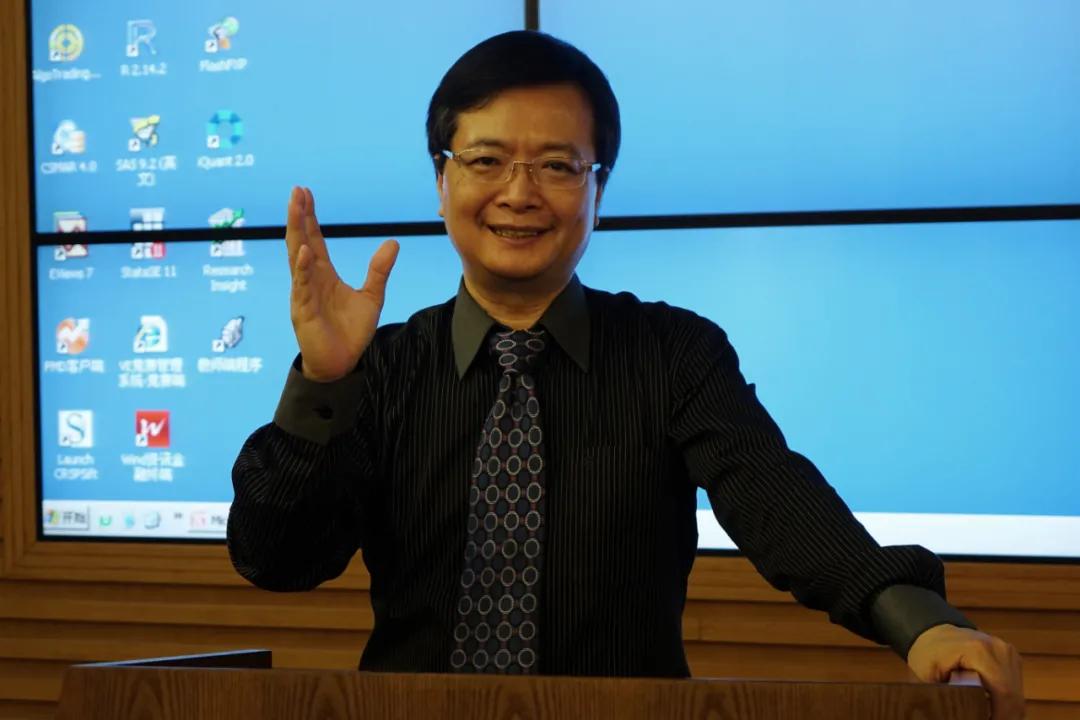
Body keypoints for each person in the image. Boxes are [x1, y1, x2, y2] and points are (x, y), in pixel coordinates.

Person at [228, 30, 1024, 719]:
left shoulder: (673, 353)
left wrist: (921, 623)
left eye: (557, 165)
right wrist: (324, 380)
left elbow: (777, 501)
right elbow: (277, 560)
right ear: (442, 180)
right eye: (487, 160)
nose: (519, 193)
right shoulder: (385, 368)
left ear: (598, 188)